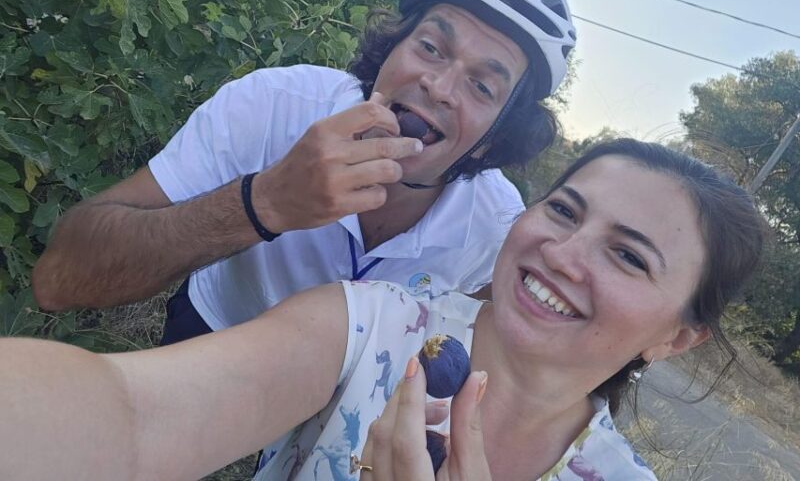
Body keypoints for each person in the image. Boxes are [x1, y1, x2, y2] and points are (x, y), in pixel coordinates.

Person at [2, 139, 764, 480]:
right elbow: (132, 418)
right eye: (564, 210)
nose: (564, 254)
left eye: (628, 255)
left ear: (678, 336)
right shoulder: (374, 330)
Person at [31, 0, 577, 343]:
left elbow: (485, 323)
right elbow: (58, 280)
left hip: (332, 398)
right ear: (389, 52)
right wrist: (264, 202)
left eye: (482, 85)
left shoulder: (497, 223)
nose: (438, 85)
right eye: (431, 47)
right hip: (212, 328)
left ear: (490, 142)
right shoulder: (270, 105)